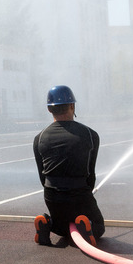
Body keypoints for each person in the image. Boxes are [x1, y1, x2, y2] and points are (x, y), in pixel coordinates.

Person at [32, 85, 105, 247]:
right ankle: (88, 226)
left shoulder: (40, 138)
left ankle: (47, 223)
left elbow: (42, 176)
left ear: (49, 109)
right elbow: (90, 173)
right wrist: (86, 193)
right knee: (99, 228)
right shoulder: (90, 135)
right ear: (72, 105)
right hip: (79, 194)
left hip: (52, 195)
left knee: (62, 228)